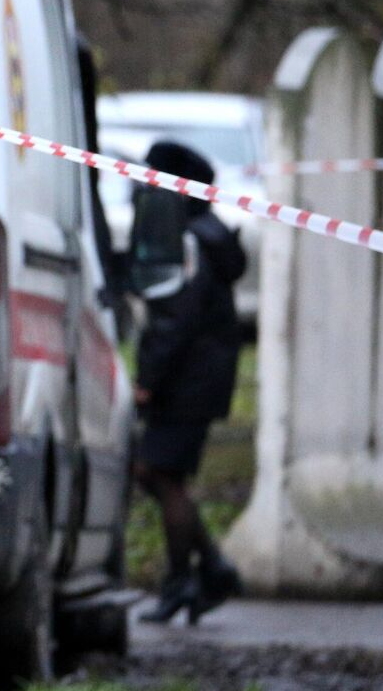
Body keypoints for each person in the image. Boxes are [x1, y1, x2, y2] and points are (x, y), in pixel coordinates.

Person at [128, 139, 247, 625]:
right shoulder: (203, 233)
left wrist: (149, 380)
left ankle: (184, 581)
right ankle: (211, 570)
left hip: (188, 379)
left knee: (159, 473)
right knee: (157, 473)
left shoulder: (193, 240)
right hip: (199, 376)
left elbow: (176, 318)